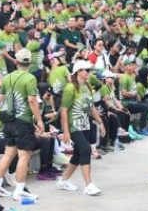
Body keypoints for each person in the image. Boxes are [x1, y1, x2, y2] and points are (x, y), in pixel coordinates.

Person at [0, 49, 40, 204]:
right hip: (22, 121)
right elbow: (32, 100)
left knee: (9, 154)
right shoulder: (30, 78)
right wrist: (39, 120)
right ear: (30, 63)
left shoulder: (7, 77)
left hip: (8, 121)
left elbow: (0, 97)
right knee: (24, 156)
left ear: (16, 62)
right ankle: (20, 190)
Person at [55, 59, 104, 196]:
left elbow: (91, 106)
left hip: (85, 125)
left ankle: (63, 180)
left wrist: (100, 122)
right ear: (78, 72)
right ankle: (89, 185)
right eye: (86, 70)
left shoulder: (87, 86)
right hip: (74, 126)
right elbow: (64, 110)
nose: (89, 73)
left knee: (77, 155)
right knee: (86, 150)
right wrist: (66, 132)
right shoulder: (70, 88)